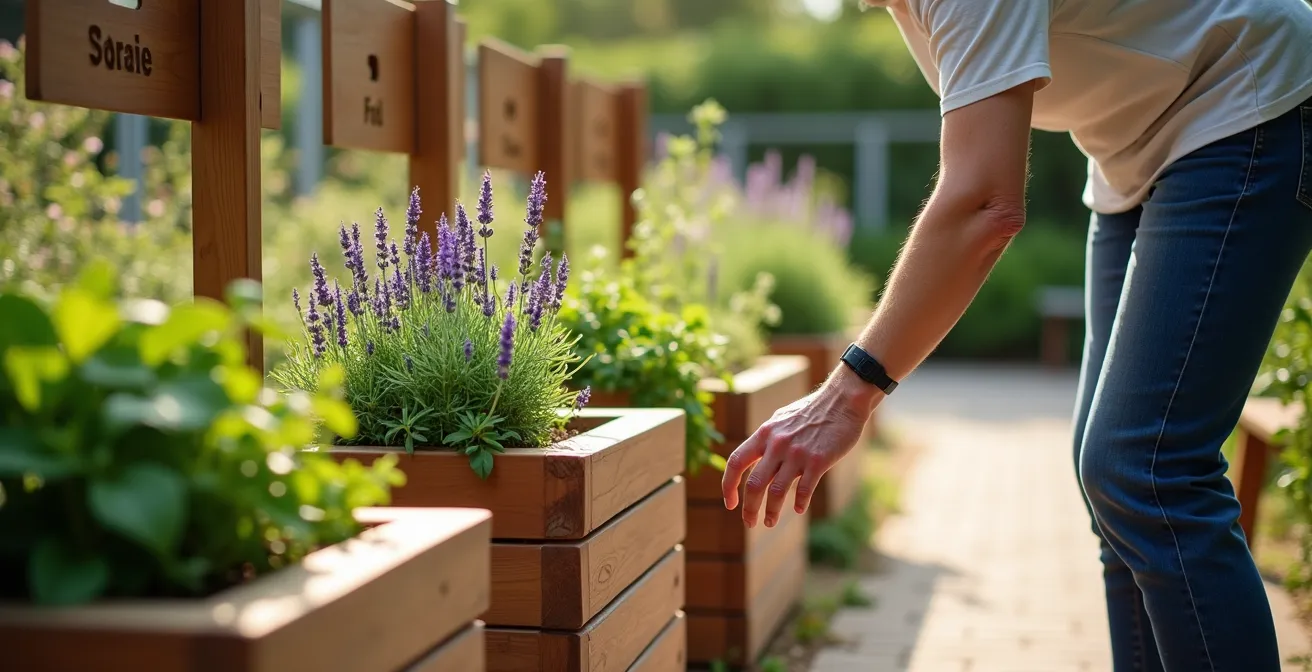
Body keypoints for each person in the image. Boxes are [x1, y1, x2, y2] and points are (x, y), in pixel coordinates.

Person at [720, 1, 1312, 669]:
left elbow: (983, 205)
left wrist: (847, 393)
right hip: (1136, 149)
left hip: (1246, 104)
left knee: (1146, 471)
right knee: (1119, 494)